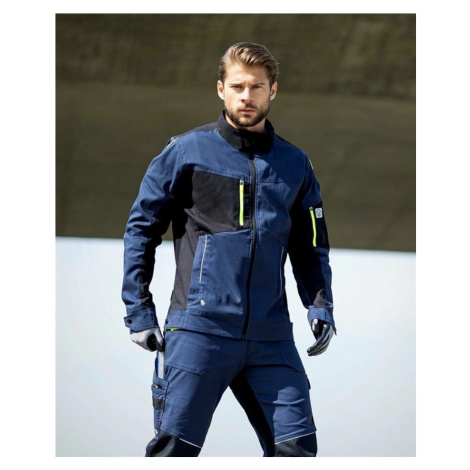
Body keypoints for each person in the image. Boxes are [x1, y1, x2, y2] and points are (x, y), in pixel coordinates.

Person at [121, 42, 336, 457]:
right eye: (237, 86)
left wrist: (320, 304)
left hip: (271, 337)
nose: (246, 96)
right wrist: (139, 311)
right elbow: (141, 230)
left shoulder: (295, 164)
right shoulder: (185, 151)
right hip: (199, 330)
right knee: (174, 452)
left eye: (257, 87)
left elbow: (311, 245)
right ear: (221, 89)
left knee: (298, 449)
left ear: (273, 91)